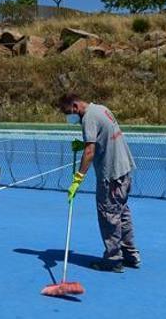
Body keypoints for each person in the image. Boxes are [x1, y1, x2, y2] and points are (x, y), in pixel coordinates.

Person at [58, 93, 140, 273]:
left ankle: (113, 260)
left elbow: (90, 152)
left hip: (111, 176)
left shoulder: (88, 118)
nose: (69, 117)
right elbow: (101, 137)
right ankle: (130, 255)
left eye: (68, 113)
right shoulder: (101, 109)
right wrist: (83, 144)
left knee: (109, 216)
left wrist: (77, 179)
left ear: (75, 106)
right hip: (124, 170)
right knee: (122, 214)